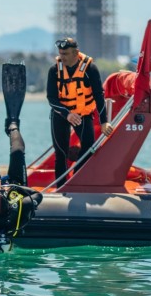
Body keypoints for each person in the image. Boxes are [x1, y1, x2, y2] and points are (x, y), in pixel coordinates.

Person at [47, 37, 114, 186]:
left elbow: (99, 96)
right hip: (61, 114)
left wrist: (104, 122)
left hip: (82, 114)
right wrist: (67, 114)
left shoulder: (90, 69)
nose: (62, 57)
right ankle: (61, 186)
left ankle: (75, 181)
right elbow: (51, 98)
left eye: (65, 54)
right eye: (60, 53)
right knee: (61, 153)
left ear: (76, 53)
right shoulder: (54, 70)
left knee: (89, 146)